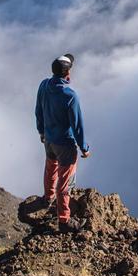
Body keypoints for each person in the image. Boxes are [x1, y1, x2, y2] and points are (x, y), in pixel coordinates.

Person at [34, 53, 91, 233]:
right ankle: (64, 221)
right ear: (68, 73)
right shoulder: (70, 95)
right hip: (65, 144)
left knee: (50, 167)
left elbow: (38, 110)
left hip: (49, 139)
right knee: (65, 181)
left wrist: (41, 131)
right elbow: (77, 125)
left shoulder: (44, 85)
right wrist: (84, 147)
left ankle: (47, 198)